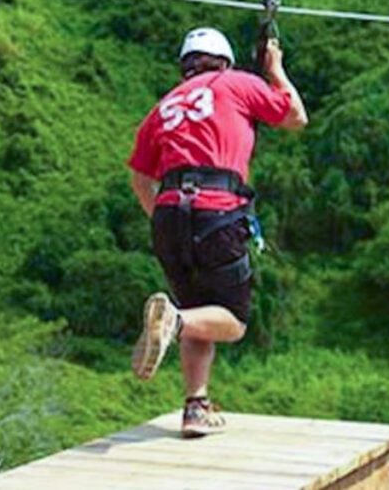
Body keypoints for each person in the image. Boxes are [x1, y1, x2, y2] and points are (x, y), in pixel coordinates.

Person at [127, 26, 307, 438]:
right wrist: (275, 69)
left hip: (168, 215)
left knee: (198, 314)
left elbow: (140, 179)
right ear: (222, 61)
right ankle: (171, 322)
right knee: (233, 321)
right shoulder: (236, 84)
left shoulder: (163, 106)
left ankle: (196, 408)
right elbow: (296, 116)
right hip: (218, 211)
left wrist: (166, 222)